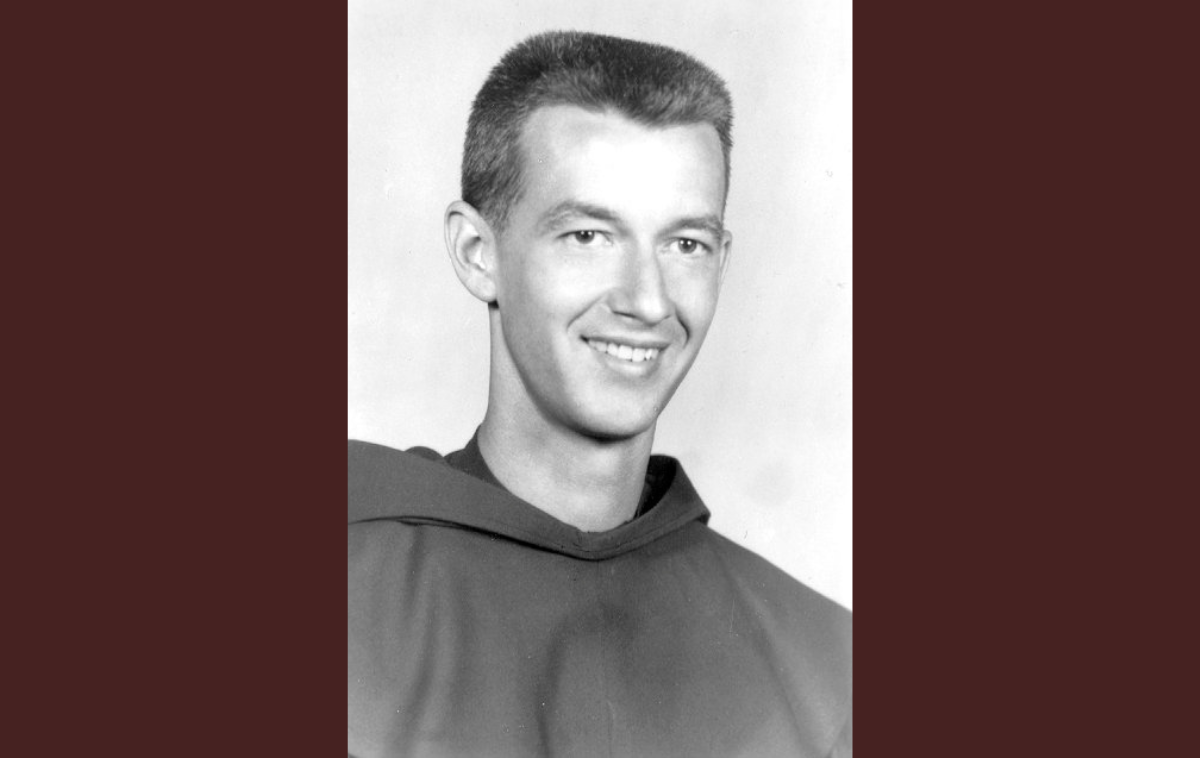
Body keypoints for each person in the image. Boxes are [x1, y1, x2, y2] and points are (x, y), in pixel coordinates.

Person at [349, 30, 851, 758]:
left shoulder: (828, 676)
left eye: (685, 245)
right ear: (475, 253)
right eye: (588, 235)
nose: (647, 301)